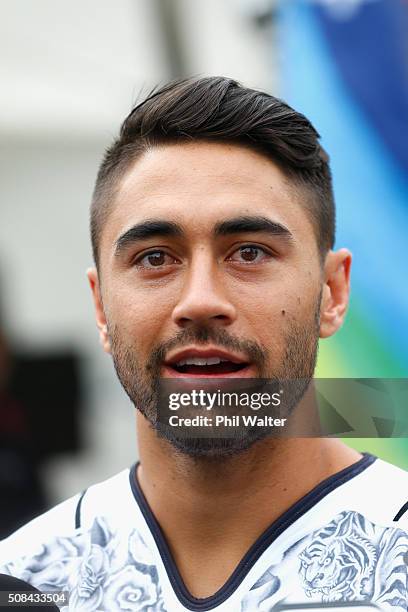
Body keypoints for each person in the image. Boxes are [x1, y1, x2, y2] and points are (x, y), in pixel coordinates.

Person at [0, 76, 407, 612]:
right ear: (101, 308)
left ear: (331, 293)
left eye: (250, 252)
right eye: (154, 257)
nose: (200, 300)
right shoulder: (26, 583)